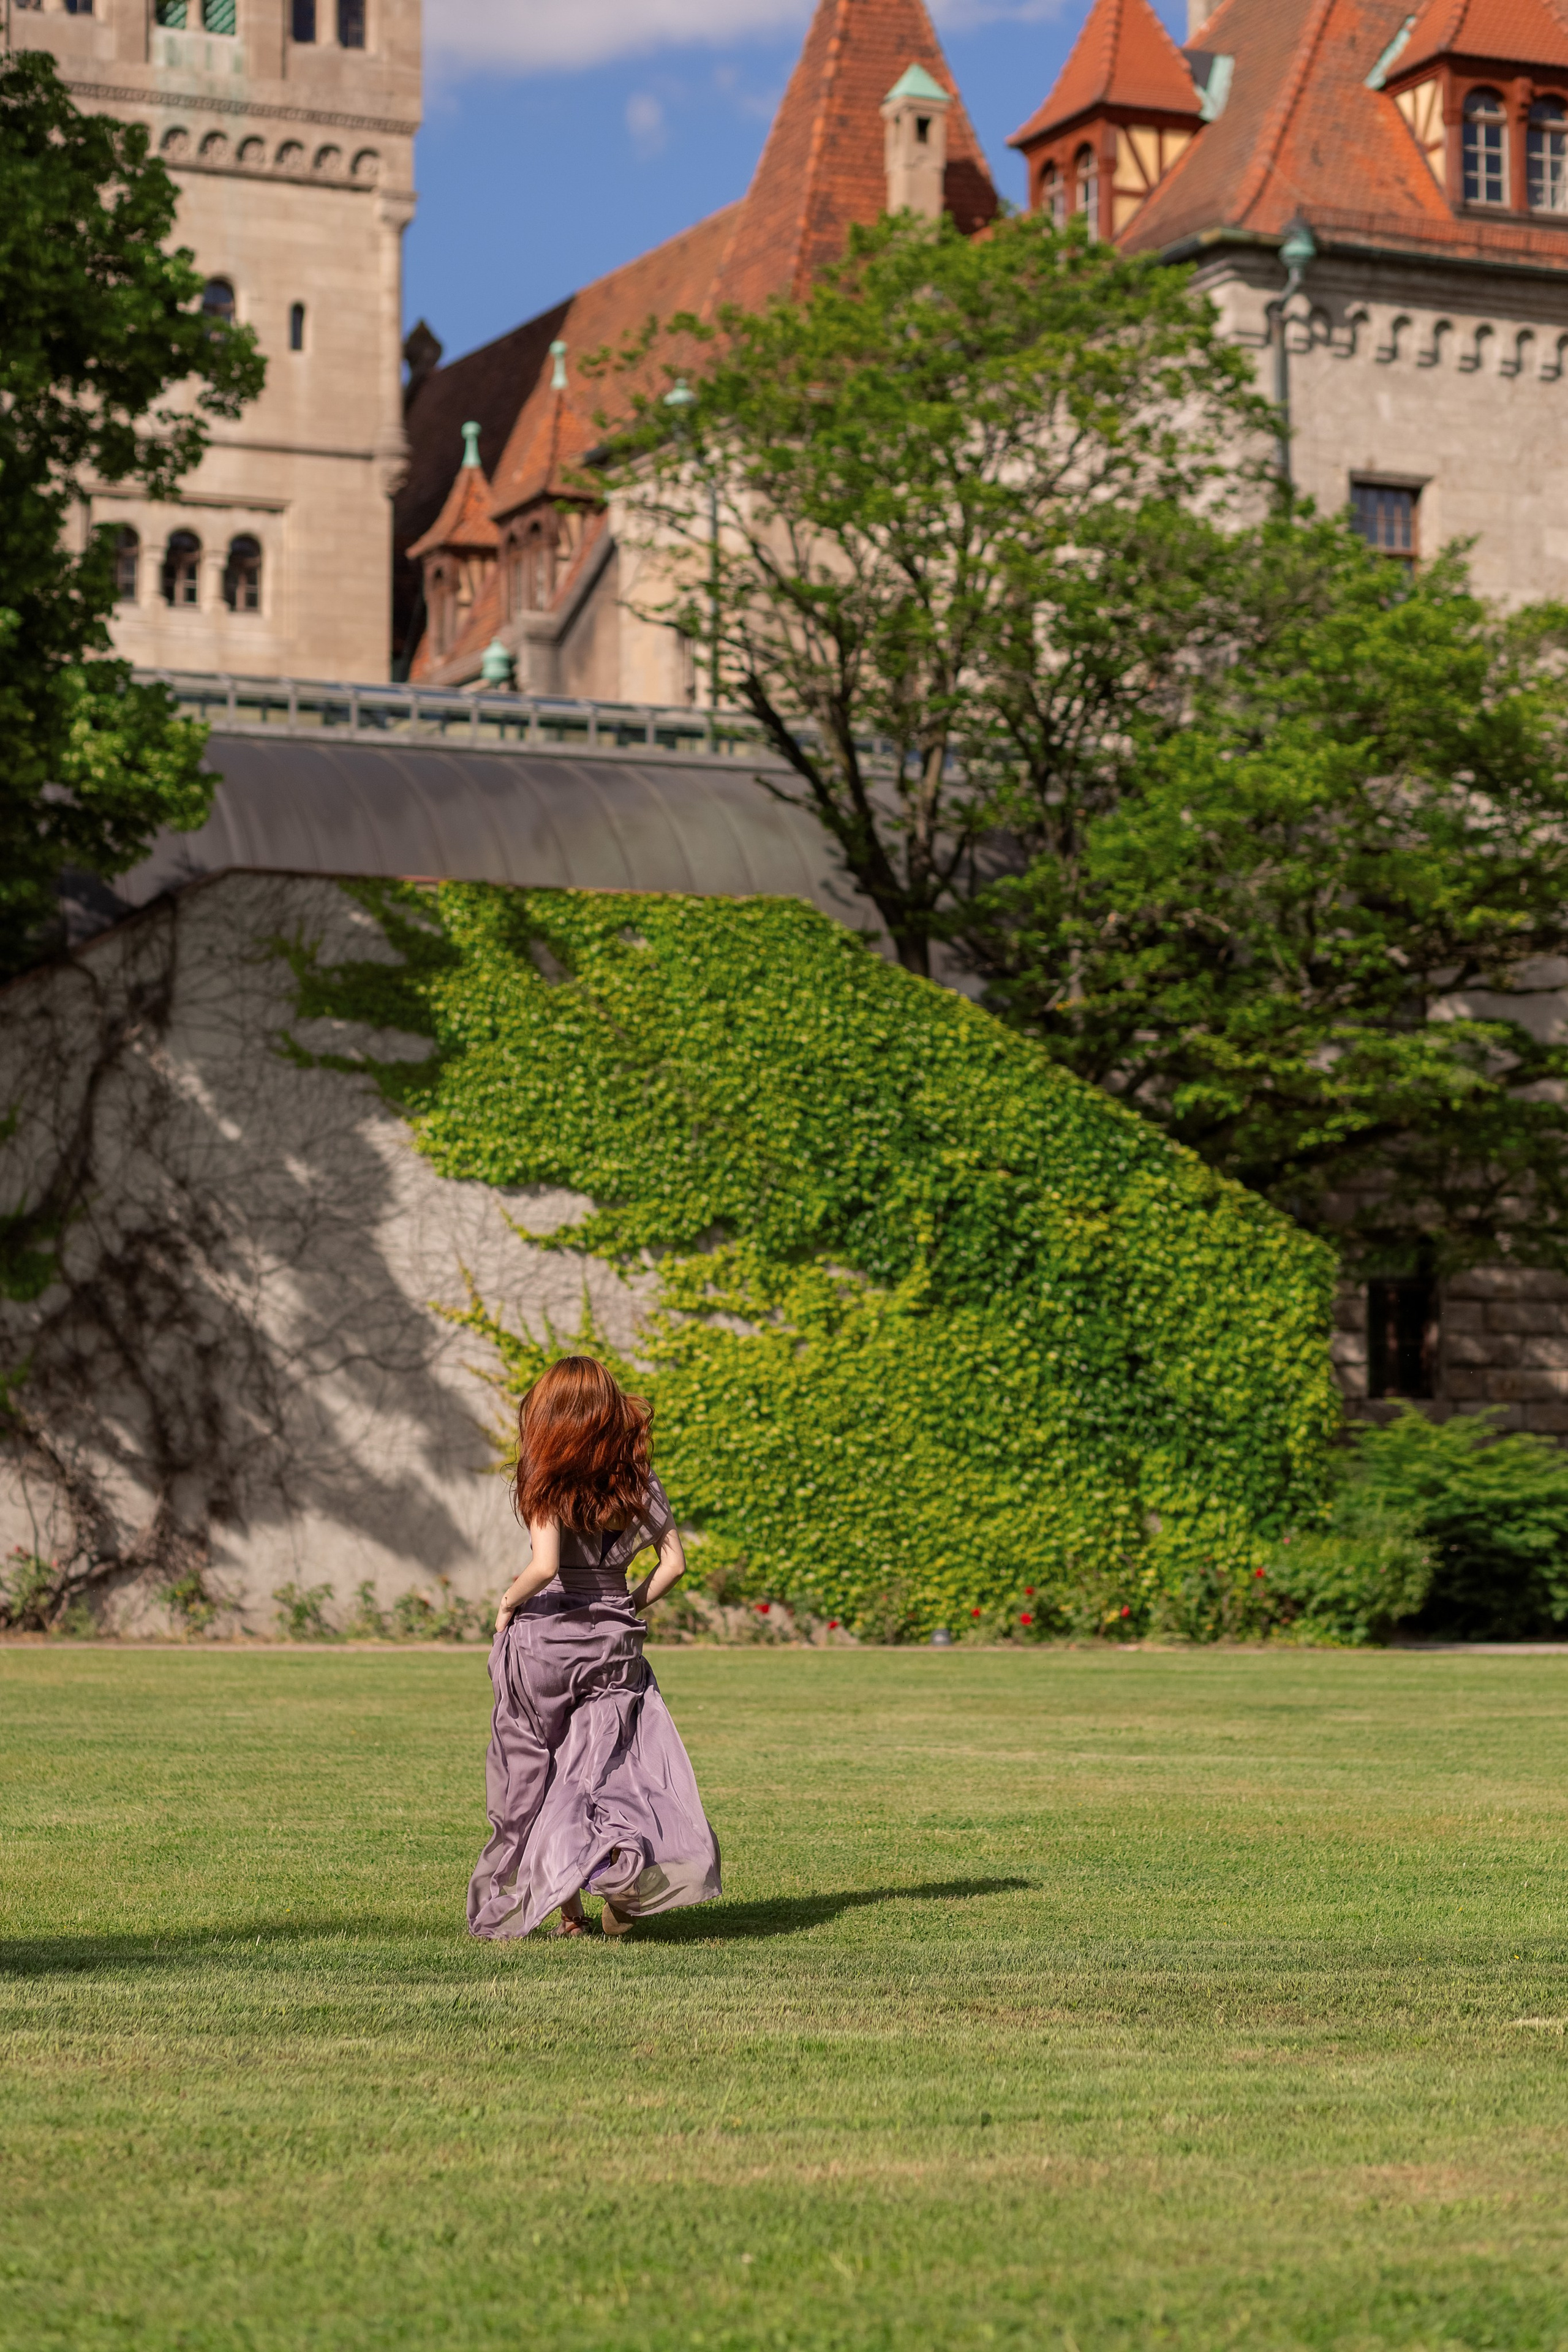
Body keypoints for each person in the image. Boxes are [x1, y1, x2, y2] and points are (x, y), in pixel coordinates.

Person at [467, 1355, 722, 1941]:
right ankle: (623, 1877)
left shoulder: (545, 1481)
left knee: (538, 1771)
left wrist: (507, 1604)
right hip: (612, 1644)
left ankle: (572, 1915)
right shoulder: (636, 1481)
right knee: (606, 1768)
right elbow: (676, 1564)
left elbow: (545, 1565)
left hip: (546, 1642)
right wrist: (626, 1603)